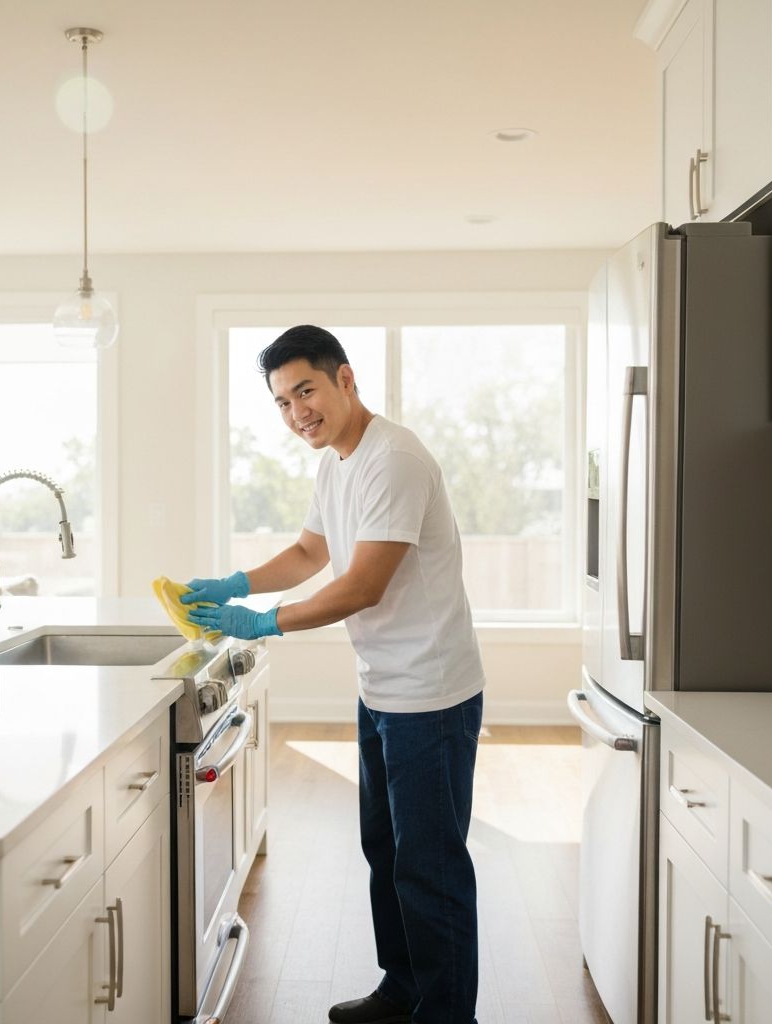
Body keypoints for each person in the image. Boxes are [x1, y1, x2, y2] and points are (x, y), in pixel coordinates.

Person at [183, 324, 485, 1024]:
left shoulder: (394, 459)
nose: (297, 414)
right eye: (283, 402)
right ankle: (402, 989)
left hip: (430, 696)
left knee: (431, 870)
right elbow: (307, 551)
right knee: (386, 852)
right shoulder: (337, 462)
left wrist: (264, 624)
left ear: (345, 379)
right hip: (382, 687)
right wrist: (234, 585)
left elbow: (361, 587)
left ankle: (446, 1017)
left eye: (306, 391)